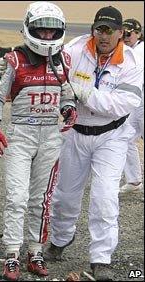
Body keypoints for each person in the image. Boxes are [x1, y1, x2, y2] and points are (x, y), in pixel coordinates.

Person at [43, 6, 143, 281]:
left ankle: (101, 258)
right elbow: (51, 68)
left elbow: (122, 104)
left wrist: (86, 93)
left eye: (110, 30)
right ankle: (60, 241)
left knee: (104, 197)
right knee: (64, 196)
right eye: (100, 29)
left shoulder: (132, 63)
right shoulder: (75, 50)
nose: (104, 35)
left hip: (111, 137)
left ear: (121, 33)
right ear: (93, 29)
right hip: (74, 133)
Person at [0, 2, 76, 280]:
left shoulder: (64, 60)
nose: (48, 37)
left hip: (51, 135)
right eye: (42, 31)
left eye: (52, 32)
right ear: (30, 29)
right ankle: (12, 254)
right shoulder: (14, 60)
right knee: (17, 198)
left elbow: (67, 92)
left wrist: (69, 108)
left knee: (41, 200)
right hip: (21, 135)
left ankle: (35, 251)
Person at [119, 18, 144, 195]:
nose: (126, 37)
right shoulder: (126, 50)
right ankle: (134, 180)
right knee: (126, 137)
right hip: (134, 101)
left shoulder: (140, 51)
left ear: (138, 34)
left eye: (129, 33)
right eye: (123, 33)